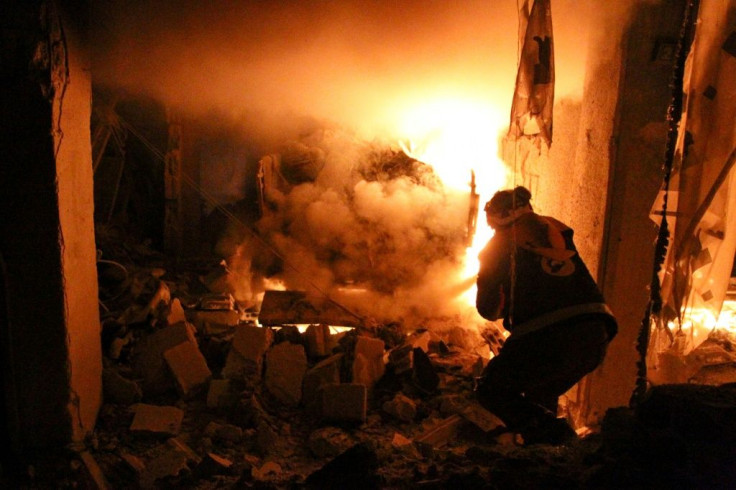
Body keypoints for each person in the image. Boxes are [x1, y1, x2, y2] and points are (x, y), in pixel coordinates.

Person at [474, 186, 617, 445]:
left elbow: (488, 309)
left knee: (491, 389)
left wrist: (488, 279)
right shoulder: (555, 230)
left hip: (546, 334)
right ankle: (546, 455)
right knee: (541, 392)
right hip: (596, 332)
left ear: (497, 220)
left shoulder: (496, 247)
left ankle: (562, 440)